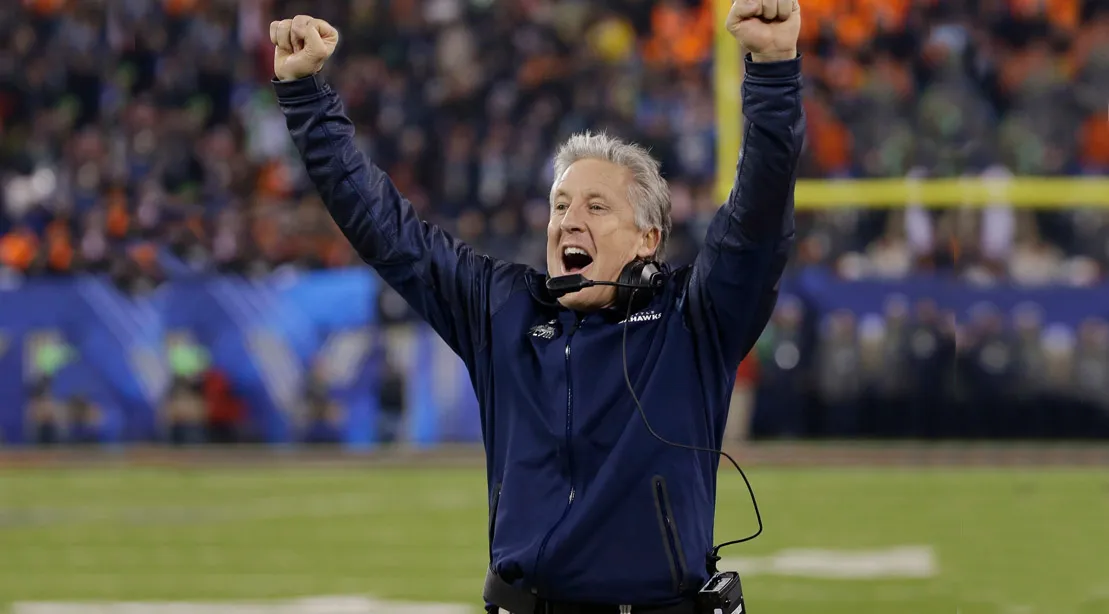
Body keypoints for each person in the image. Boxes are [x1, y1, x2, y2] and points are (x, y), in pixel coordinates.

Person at [269, 0, 803, 611]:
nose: (570, 221)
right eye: (560, 205)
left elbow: (758, 217)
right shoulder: (503, 310)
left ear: (648, 239)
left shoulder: (692, 318)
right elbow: (385, 228)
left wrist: (772, 70)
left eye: (596, 207)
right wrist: (305, 95)